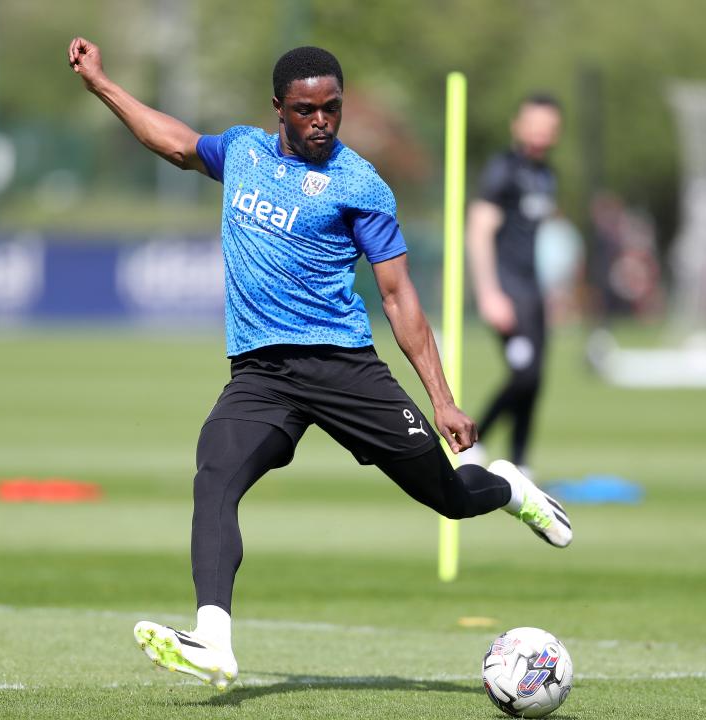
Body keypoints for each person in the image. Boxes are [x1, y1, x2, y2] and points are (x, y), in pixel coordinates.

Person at [68, 40, 572, 691]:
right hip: (261, 376)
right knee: (214, 477)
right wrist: (103, 85)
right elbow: (176, 143)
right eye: (306, 110)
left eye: (332, 109)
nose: (321, 123)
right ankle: (214, 640)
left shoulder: (360, 183)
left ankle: (510, 489)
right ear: (278, 108)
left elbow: (399, 298)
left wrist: (443, 399)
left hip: (345, 369)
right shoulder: (244, 152)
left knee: (449, 498)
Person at [465, 94, 562, 475]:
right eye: (534, 124)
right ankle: (476, 440)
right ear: (517, 125)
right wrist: (489, 292)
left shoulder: (547, 174)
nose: (540, 134)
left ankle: (521, 460)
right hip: (506, 289)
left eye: (549, 127)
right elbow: (478, 230)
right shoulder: (502, 170)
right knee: (524, 372)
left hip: (532, 289)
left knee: (536, 378)